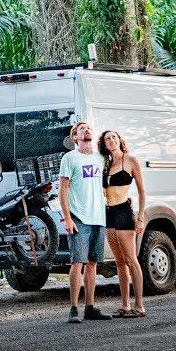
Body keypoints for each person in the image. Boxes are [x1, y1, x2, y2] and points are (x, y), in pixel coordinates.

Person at [58, 121, 111, 322]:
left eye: (88, 128)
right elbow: (63, 189)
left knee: (92, 264)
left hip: (98, 216)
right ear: (75, 137)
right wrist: (67, 218)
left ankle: (90, 307)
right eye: (81, 129)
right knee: (77, 262)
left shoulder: (100, 158)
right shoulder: (70, 158)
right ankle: (73, 308)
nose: (86, 130)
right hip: (79, 216)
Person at [100, 129, 147, 318]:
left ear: (119, 140)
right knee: (119, 261)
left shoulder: (131, 161)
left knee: (131, 259)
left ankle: (140, 306)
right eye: (107, 139)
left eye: (113, 137)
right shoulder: (105, 164)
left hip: (123, 212)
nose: (110, 140)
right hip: (108, 212)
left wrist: (141, 217)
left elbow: (142, 191)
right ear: (104, 145)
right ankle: (125, 305)